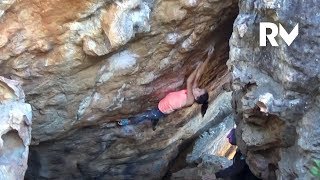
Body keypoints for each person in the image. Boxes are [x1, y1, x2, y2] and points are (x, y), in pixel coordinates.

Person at [117, 48, 214, 130]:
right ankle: (154, 121)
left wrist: (197, 67)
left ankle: (127, 122)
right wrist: (208, 57)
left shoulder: (190, 100)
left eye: (200, 91)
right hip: (162, 106)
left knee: (145, 115)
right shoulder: (193, 92)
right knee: (154, 116)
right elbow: (198, 76)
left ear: (197, 98)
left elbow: (189, 81)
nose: (198, 88)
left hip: (160, 110)